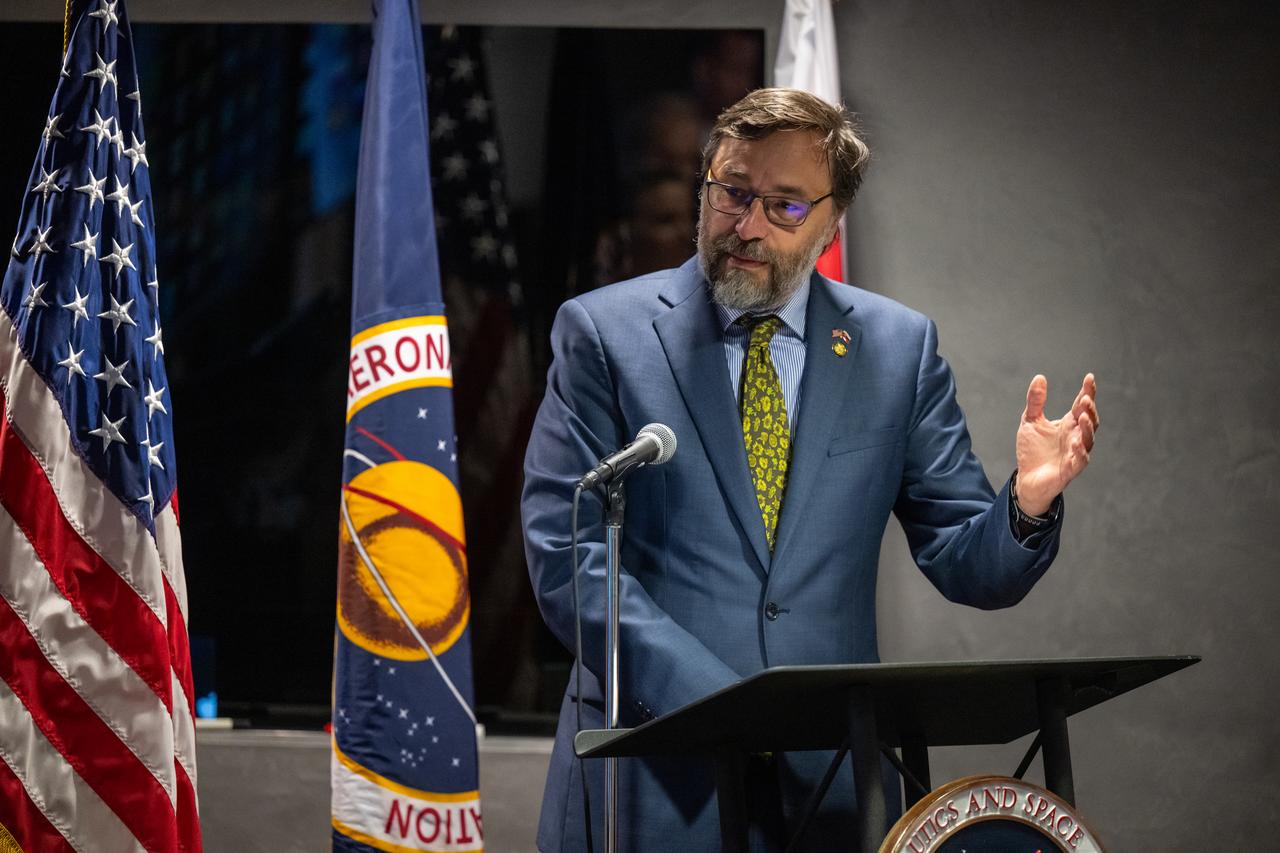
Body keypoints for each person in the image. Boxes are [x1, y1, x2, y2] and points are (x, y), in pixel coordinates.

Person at [521, 88, 1099, 852]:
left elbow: (969, 563)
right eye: (732, 192)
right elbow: (570, 556)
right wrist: (726, 704)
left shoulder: (897, 349)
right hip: (651, 775)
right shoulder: (604, 333)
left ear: (832, 219)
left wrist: (1026, 504)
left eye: (785, 206)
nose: (747, 225)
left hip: (833, 784)